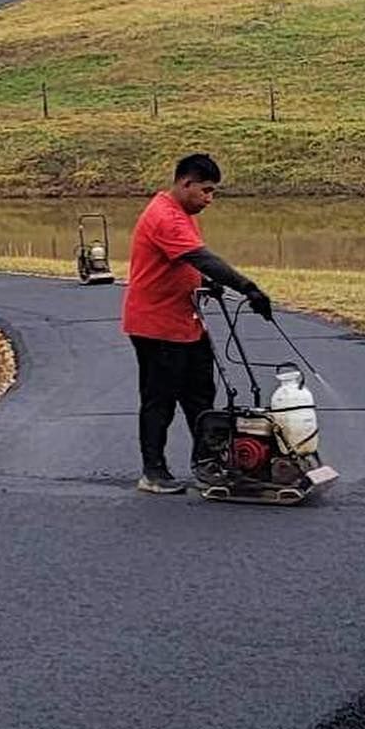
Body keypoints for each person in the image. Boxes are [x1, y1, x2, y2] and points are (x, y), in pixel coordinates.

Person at [121, 153, 273, 494]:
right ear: (185, 183)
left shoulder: (184, 214)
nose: (209, 199)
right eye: (205, 190)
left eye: (213, 192)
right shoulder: (164, 217)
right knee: (159, 399)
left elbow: (184, 261)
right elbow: (201, 257)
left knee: (201, 395)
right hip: (155, 325)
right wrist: (248, 288)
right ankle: (153, 472)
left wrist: (204, 284)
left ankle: (210, 465)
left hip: (186, 320)